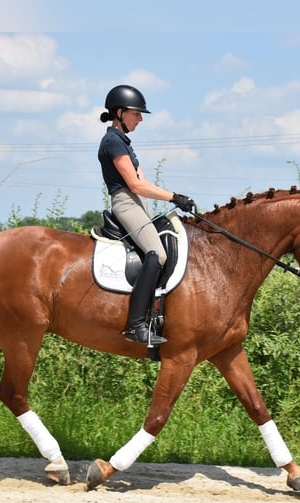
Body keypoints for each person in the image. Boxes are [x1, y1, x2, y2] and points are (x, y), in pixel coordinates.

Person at [98, 84, 196, 347]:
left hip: (138, 204)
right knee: (157, 254)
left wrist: (175, 198)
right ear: (119, 112)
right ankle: (136, 325)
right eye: (136, 113)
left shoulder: (124, 143)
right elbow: (136, 185)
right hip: (126, 203)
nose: (140, 119)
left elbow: (144, 181)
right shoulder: (112, 142)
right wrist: (174, 197)